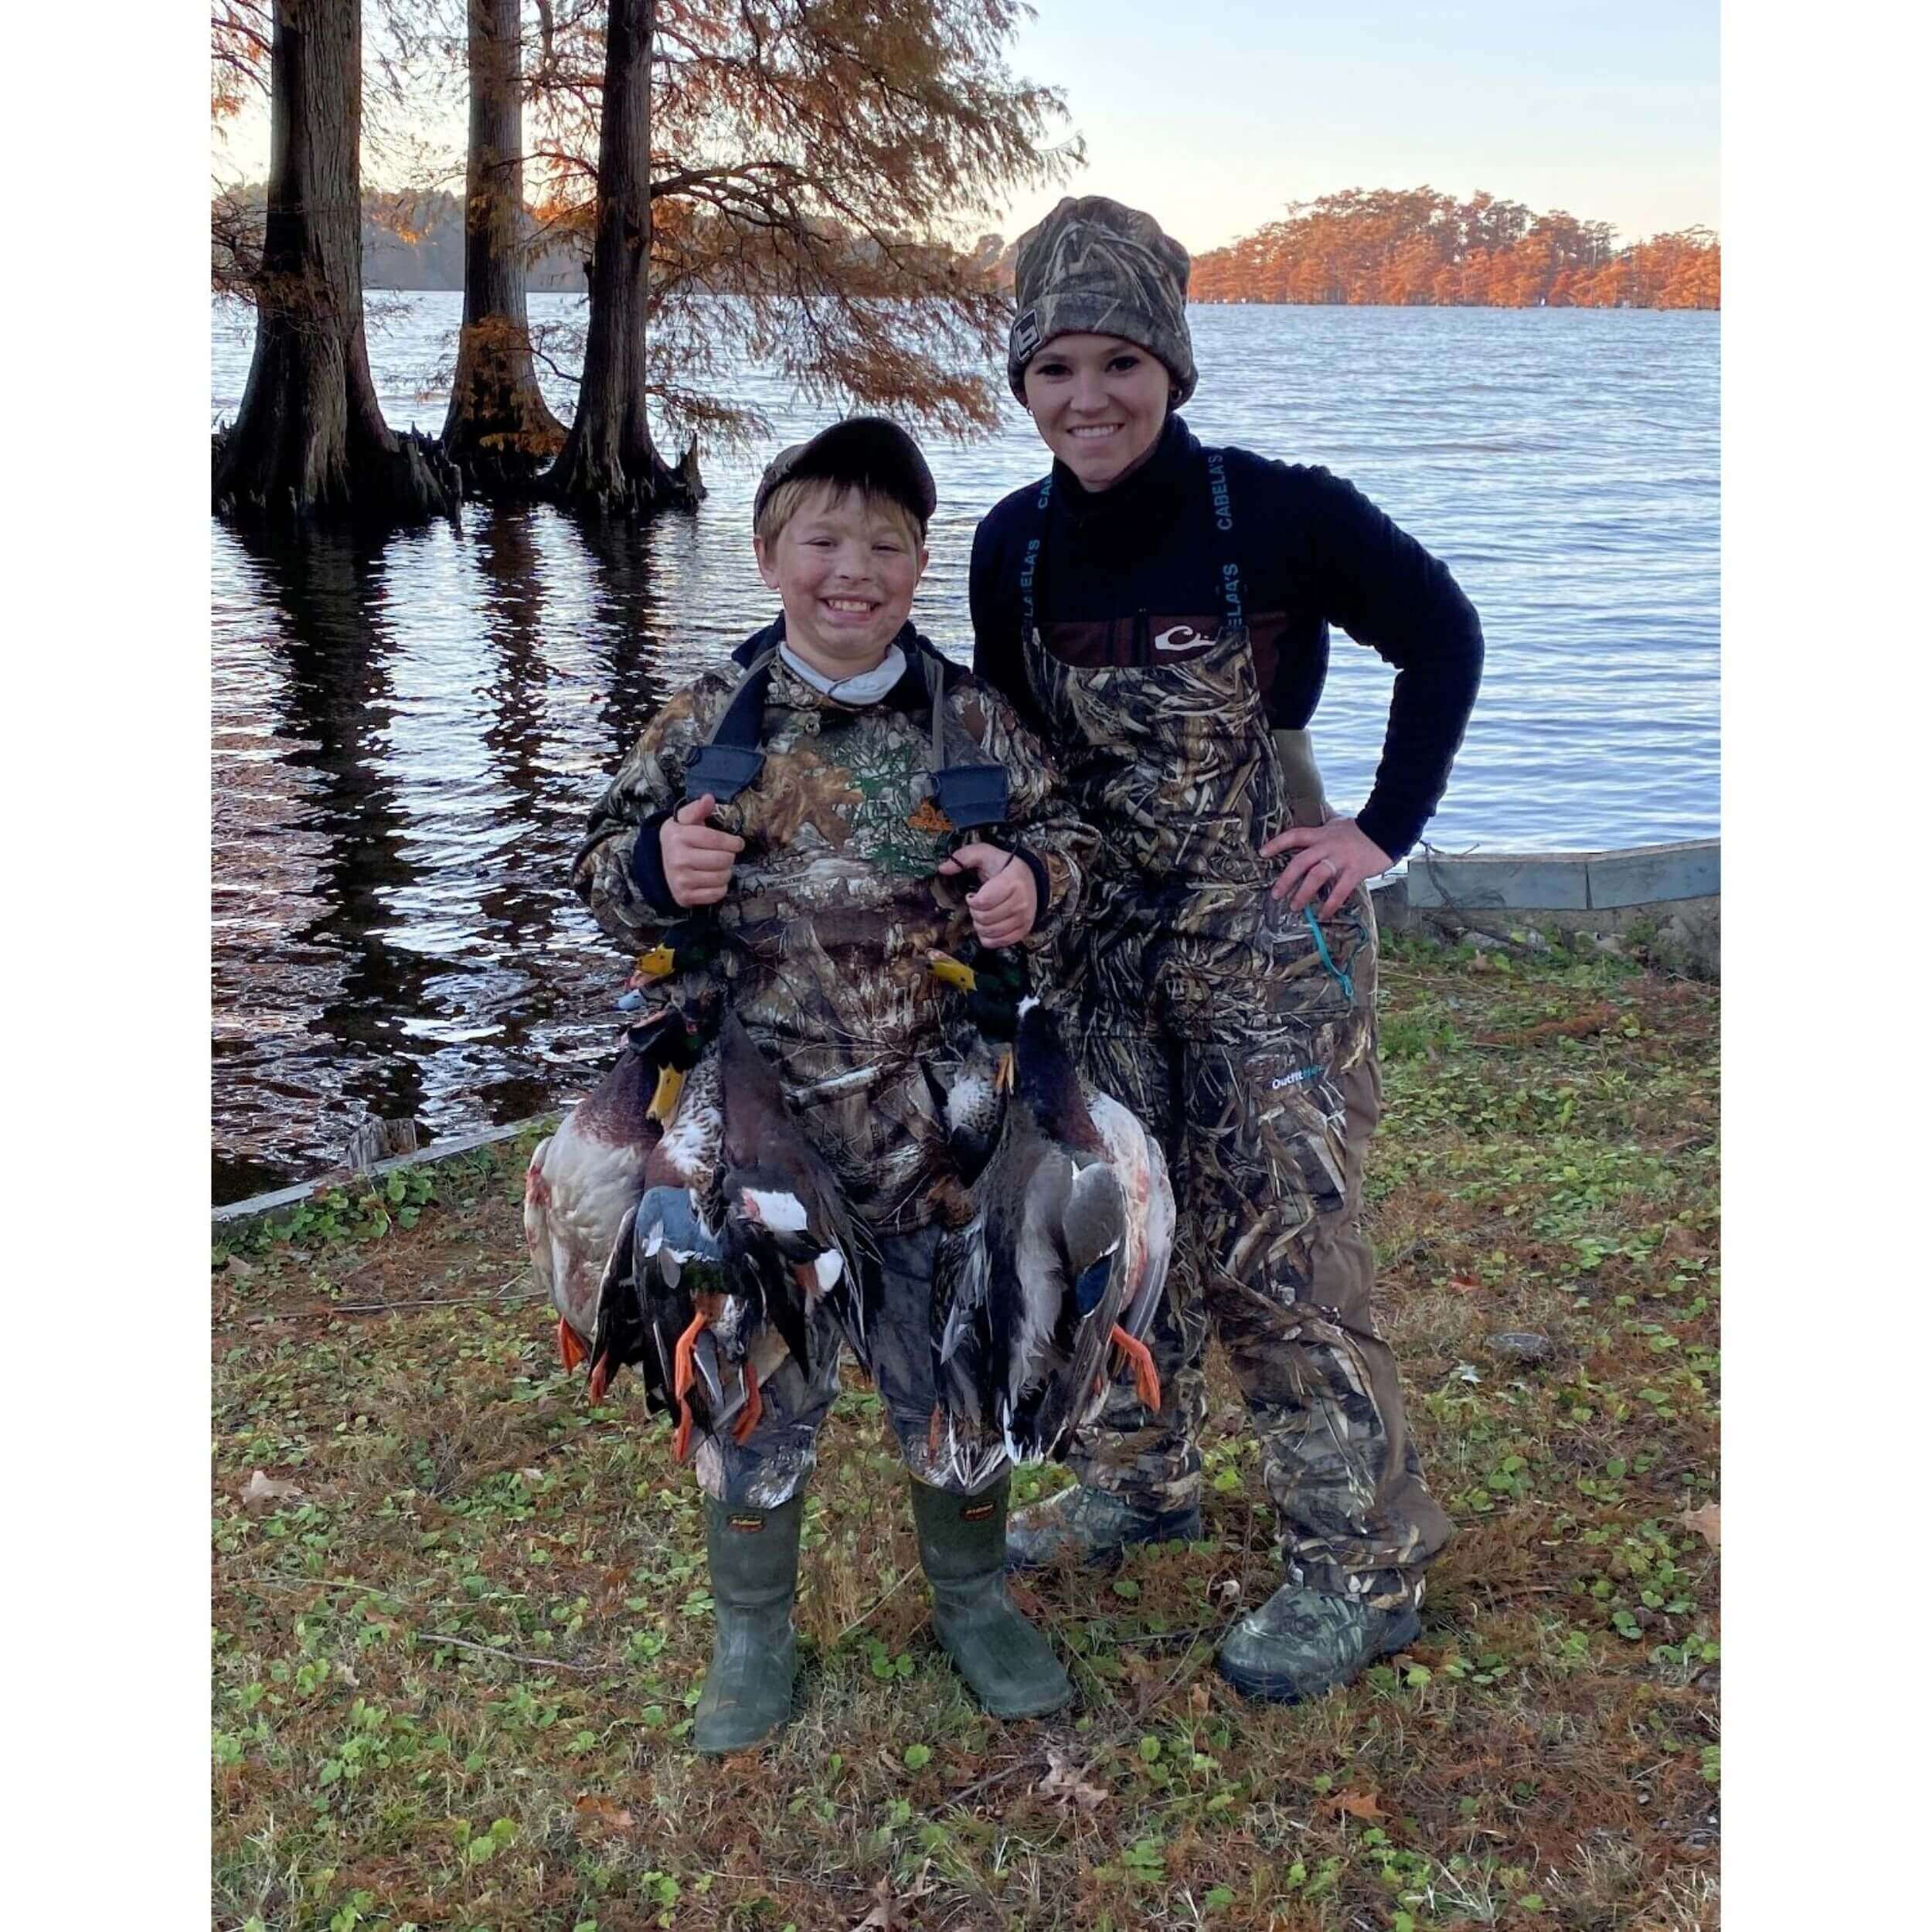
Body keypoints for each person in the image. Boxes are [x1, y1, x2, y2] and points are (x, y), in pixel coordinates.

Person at [969, 196, 1483, 1701]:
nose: (1086, 397)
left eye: (1117, 360)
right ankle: (1140, 1477)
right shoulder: (1007, 549)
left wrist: (1379, 827)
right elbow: (1009, 754)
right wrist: (1006, 877)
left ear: (1171, 368)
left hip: (1271, 949)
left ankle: (1362, 1568)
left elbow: (1440, 634)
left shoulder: (1276, 513)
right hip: (1100, 945)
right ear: (1022, 380)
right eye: (1053, 366)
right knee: (1107, 1228)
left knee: (1280, 1254)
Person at [572, 417, 1096, 1750]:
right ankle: (752, 1636)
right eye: (823, 539)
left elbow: (1067, 848)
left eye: (886, 543)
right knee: (749, 1378)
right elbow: (592, 867)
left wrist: (1037, 882)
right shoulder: (703, 723)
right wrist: (649, 872)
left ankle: (972, 1598)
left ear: (922, 563)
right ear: (767, 555)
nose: (851, 568)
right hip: (755, 1125)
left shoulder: (972, 720)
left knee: (965, 1370)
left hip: (944, 1119)